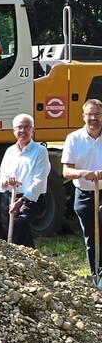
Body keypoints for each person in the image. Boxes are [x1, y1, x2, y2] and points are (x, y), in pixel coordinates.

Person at [63, 99, 102, 276]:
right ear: (83, 116)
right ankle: (96, 273)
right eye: (90, 114)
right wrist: (82, 173)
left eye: (97, 114)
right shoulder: (74, 138)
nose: (94, 118)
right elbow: (66, 170)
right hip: (84, 193)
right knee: (91, 235)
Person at [0, 113, 49, 248]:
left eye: (27, 127)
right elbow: (2, 177)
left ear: (33, 130)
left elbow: (39, 181)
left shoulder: (40, 151)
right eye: (19, 127)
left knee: (21, 222)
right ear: (14, 131)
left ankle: (18, 258)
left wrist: (22, 201)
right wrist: (6, 181)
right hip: (11, 198)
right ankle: (31, 256)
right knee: (15, 230)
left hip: (32, 200)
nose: (23, 131)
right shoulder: (9, 152)